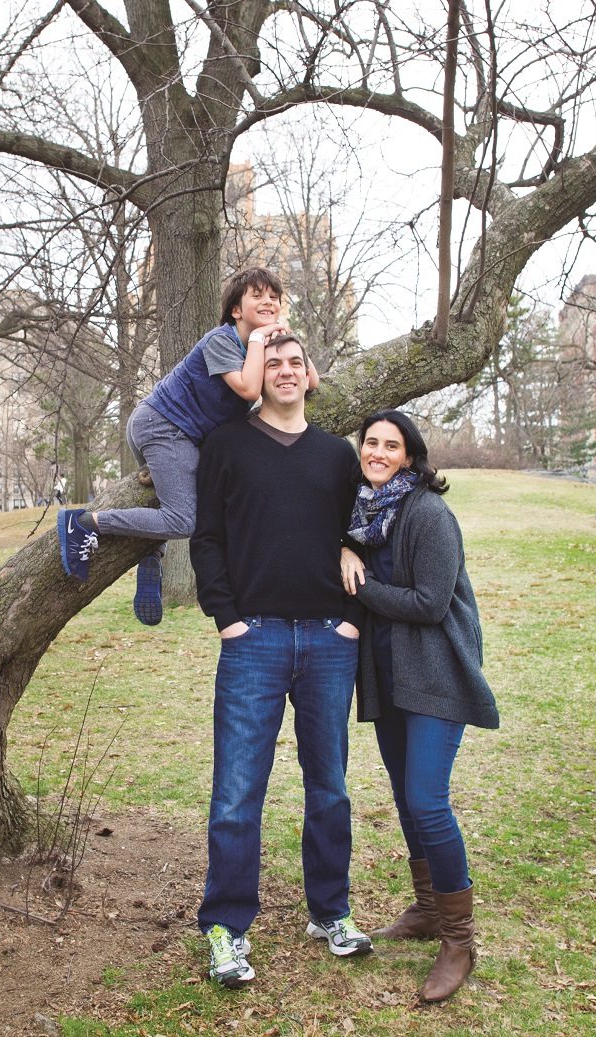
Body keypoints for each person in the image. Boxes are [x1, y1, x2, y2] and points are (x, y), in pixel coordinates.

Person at [189, 333, 371, 988]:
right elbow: (205, 536)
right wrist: (227, 617)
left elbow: (364, 534)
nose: (286, 371)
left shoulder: (337, 455)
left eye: (296, 362)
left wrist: (352, 619)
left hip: (329, 638)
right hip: (254, 638)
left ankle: (332, 911)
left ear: (309, 375)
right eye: (274, 363)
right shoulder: (226, 446)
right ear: (257, 376)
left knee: (330, 786)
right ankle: (226, 927)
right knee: (237, 791)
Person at [340, 409, 499, 1004]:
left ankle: (459, 939)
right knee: (407, 797)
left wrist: (355, 582)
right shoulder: (365, 513)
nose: (378, 452)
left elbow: (431, 602)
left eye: (391, 445)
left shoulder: (430, 513)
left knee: (429, 801)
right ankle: (430, 909)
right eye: (370, 444)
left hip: (436, 674)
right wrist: (344, 549)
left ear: (410, 455)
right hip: (388, 676)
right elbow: (346, 543)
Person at [57, 267, 318, 626]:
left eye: (274, 297)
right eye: (258, 296)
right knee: (183, 519)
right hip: (162, 425)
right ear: (236, 310)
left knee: (198, 503)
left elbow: (312, 381)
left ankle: (151, 551)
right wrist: (259, 340)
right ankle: (86, 522)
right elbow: (248, 389)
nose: (269, 302)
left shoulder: (263, 345)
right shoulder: (222, 340)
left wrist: (288, 340)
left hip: (186, 439)